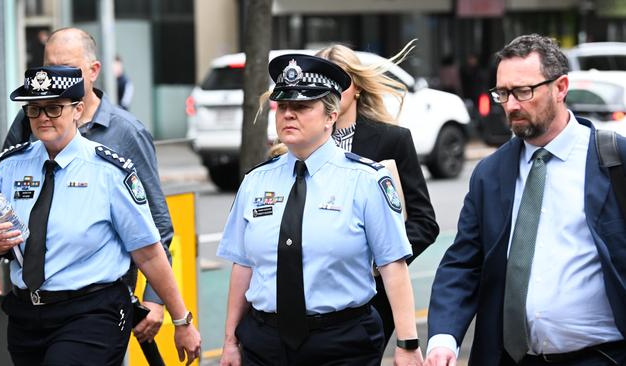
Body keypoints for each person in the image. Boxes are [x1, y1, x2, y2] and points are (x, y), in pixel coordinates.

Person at [425, 34, 626, 366]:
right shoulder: (489, 174)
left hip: (602, 356)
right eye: (503, 93)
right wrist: (443, 339)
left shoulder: (614, 161)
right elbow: (463, 263)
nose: (511, 105)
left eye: (523, 91)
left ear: (560, 88)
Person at [0, 65, 200, 365]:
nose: (43, 117)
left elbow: (149, 252)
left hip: (92, 313)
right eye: (34, 109)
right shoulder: (10, 166)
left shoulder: (109, 171)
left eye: (54, 108)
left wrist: (181, 320)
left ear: (77, 109)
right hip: (26, 315)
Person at [217, 54, 423, 366]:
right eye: (283, 106)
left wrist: (407, 344)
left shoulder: (366, 180)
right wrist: (230, 340)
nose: (288, 114)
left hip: (341, 343)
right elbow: (243, 266)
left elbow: (394, 266)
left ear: (330, 116)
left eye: (301, 107)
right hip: (265, 344)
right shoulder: (256, 182)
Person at [315, 43, 439, 346]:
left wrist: (377, 262)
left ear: (356, 86)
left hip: (372, 297)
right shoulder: (303, 144)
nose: (330, 91)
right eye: (321, 83)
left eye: (339, 81)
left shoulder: (392, 140)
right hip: (312, 297)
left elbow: (424, 222)